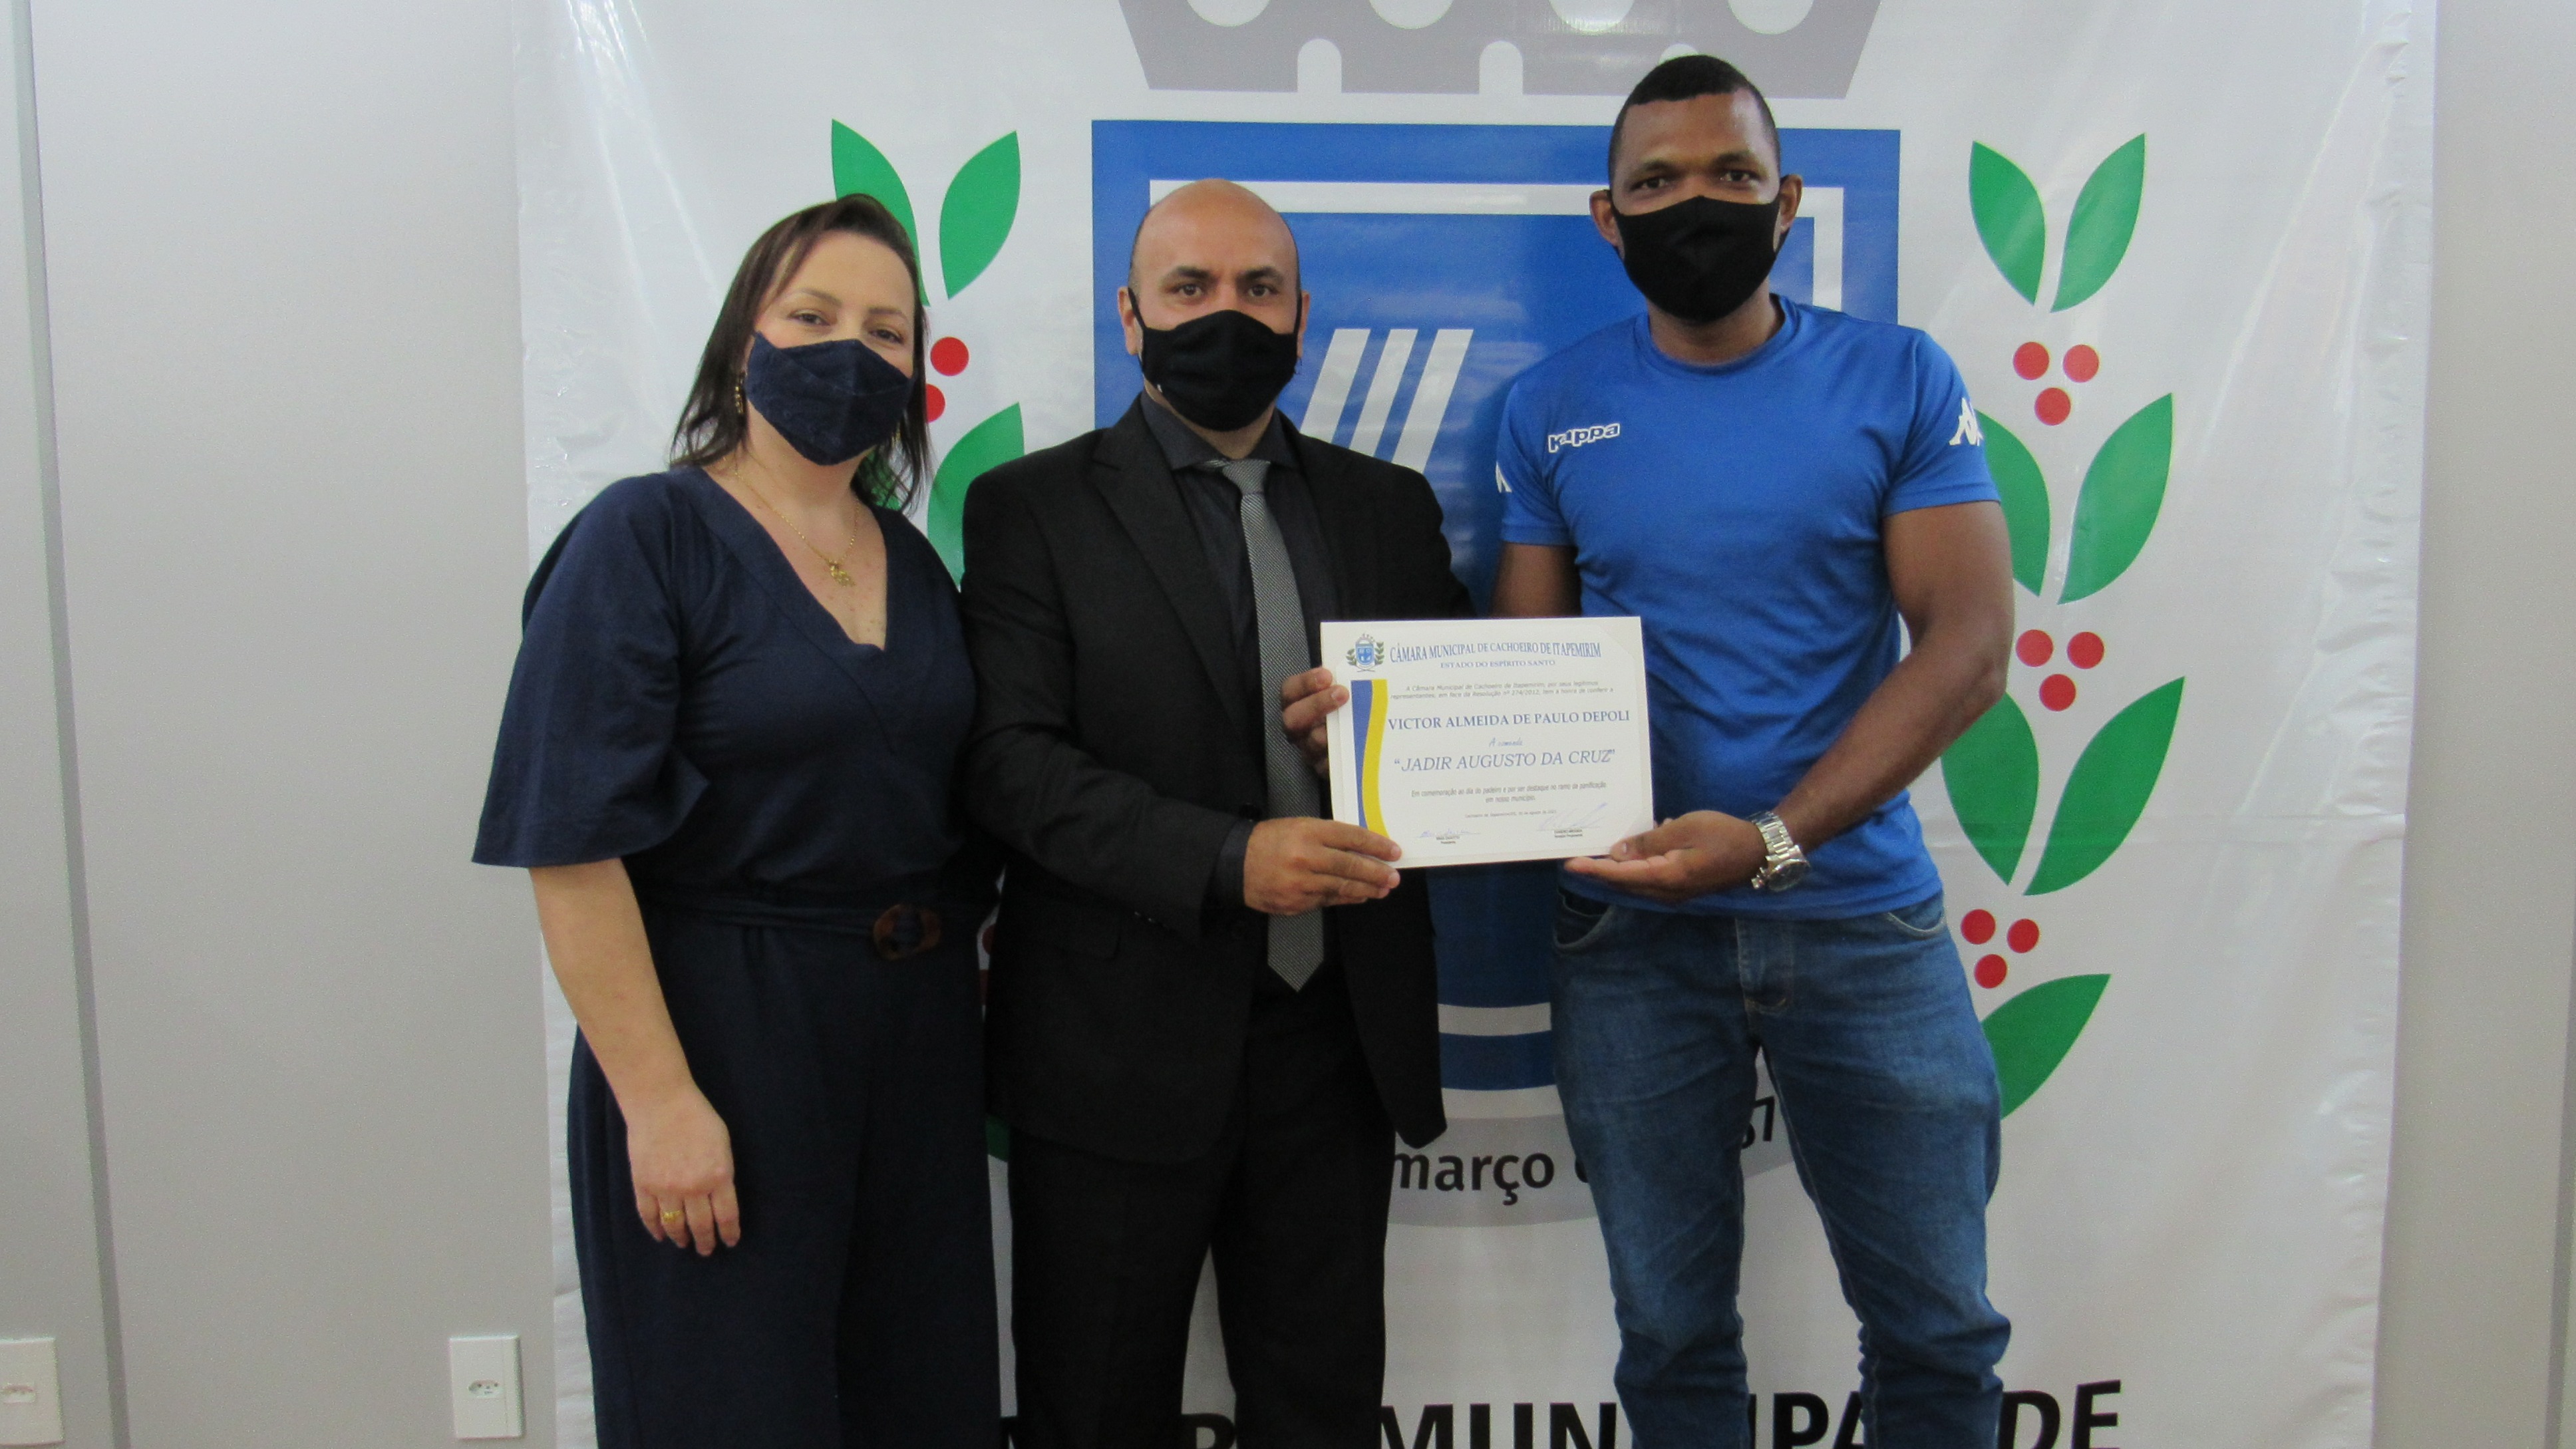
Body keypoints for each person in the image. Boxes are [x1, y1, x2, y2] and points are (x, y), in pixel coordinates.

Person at [1486, 56, 2018, 1448]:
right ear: (1608, 218)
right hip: (1631, 939)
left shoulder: (1898, 377)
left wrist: (1775, 839)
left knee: (1938, 1333)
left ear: (1787, 202)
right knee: (1670, 1340)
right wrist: (1376, 725)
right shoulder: (1548, 407)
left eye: (1732, 175)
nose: (1696, 205)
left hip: (1858, 917)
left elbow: (1967, 645)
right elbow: (1527, 676)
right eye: (1657, 182)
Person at [473, 195, 997, 1448]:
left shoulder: (915, 563)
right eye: (812, 316)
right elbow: (572, 843)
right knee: (730, 1404)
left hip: (916, 1044)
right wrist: (660, 1101)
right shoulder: (643, 537)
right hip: (722, 1035)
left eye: (885, 331)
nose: (848, 351)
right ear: (742, 343)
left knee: (918, 1402)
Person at [958, 179, 1468, 1447]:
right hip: (1111, 1049)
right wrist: (1228, 858)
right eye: (1189, 289)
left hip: (1335, 1041)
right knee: (1093, 1412)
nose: (1225, 314)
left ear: (1302, 316)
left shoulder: (1388, 506)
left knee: (1323, 1411)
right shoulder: (1031, 507)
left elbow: (1455, 735)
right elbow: (1010, 763)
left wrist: (1381, 747)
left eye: (1258, 288)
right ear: (1130, 317)